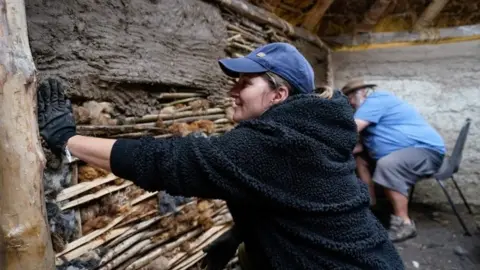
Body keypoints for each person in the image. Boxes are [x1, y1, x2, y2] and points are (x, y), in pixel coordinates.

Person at [37, 43, 404, 269]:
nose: (232, 90)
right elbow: (288, 199)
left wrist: (67, 139)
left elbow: (168, 160)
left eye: (245, 83)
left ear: (278, 95)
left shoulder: (278, 144)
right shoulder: (309, 133)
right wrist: (237, 238)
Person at [341, 78, 446, 243]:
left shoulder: (376, 100)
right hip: (407, 153)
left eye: (350, 98)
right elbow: (358, 147)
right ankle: (370, 206)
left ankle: (404, 224)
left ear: (361, 93)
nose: (350, 103)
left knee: (387, 164)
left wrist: (328, 138)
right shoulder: (368, 113)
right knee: (360, 158)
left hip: (426, 152)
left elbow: (352, 129)